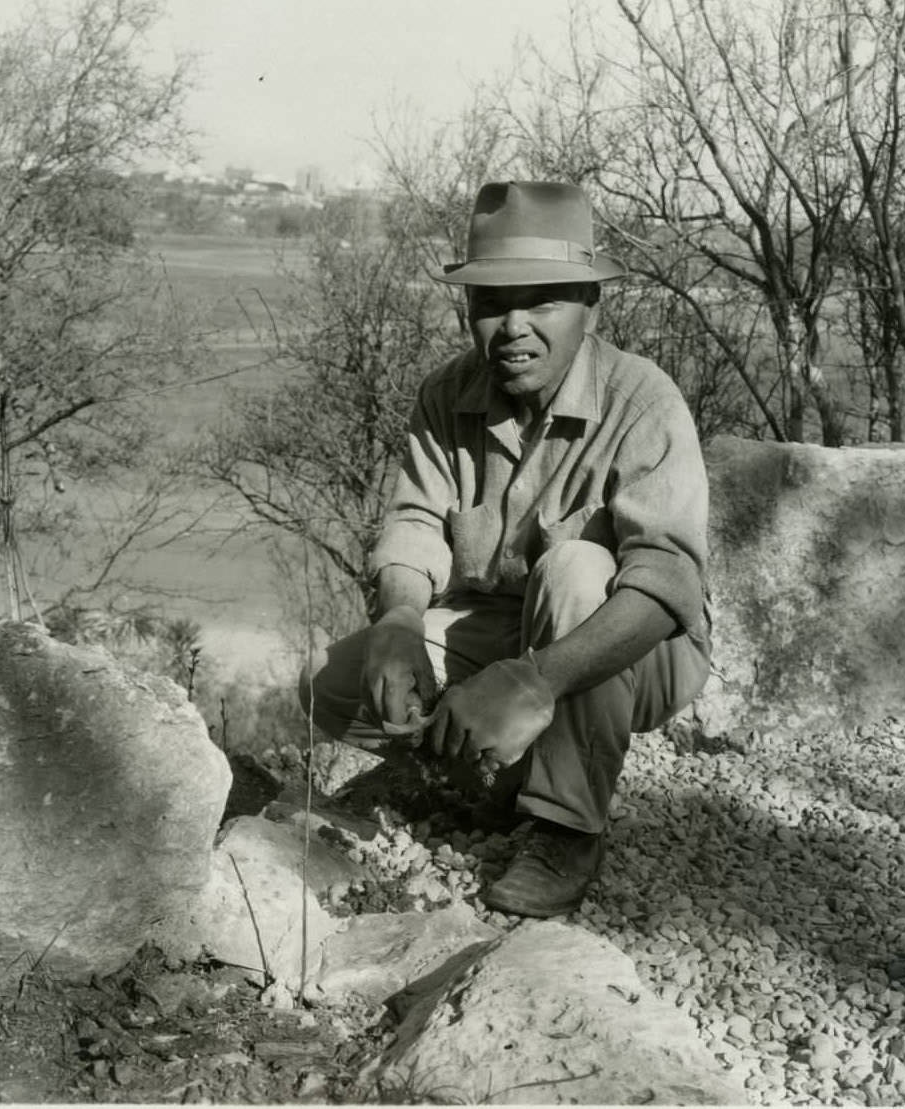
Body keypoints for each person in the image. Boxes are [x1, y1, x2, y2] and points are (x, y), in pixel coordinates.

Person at [301, 181, 711, 918]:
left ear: (591, 305)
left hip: (628, 651)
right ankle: (488, 776)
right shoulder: (446, 393)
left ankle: (564, 826)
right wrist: (397, 620)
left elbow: (663, 587)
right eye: (492, 303)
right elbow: (417, 522)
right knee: (330, 683)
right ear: (468, 309)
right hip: (502, 630)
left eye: (542, 301)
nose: (513, 327)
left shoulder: (643, 400)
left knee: (579, 568)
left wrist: (535, 681)